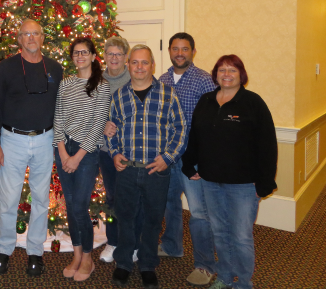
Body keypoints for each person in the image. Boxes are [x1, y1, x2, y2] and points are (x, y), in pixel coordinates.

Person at [182, 55, 277, 289]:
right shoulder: (206, 101)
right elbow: (195, 138)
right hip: (210, 181)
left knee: (241, 237)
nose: (226, 74)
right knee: (220, 232)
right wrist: (188, 164)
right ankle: (225, 277)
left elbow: (267, 145)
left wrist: (264, 182)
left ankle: (243, 282)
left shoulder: (253, 103)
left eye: (232, 70)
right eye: (222, 70)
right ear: (215, 74)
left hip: (243, 185)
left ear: (241, 75)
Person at [106, 44, 186, 289]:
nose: (139, 67)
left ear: (152, 65)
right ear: (128, 65)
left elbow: (180, 130)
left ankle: (148, 264)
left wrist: (168, 158)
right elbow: (111, 130)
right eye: (135, 62)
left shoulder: (168, 95)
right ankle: (124, 263)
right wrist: (115, 152)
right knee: (126, 217)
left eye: (144, 62)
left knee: (152, 219)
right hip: (127, 170)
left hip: (156, 170)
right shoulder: (119, 96)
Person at [0, 19, 63, 276]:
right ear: (19, 39)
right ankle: (4, 249)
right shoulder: (7, 67)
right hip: (12, 140)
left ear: (43, 38)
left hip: (45, 139)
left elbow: (62, 108)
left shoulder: (55, 68)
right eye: (26, 34)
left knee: (41, 199)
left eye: (36, 33)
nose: (31, 38)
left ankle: (35, 253)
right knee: (8, 200)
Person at [157, 33, 217, 286]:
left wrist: (204, 160)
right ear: (169, 51)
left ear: (193, 51)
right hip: (168, 158)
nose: (179, 53)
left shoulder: (205, 81)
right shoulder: (162, 80)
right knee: (170, 205)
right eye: (175, 48)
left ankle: (205, 265)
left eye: (185, 49)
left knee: (199, 213)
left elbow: (212, 124)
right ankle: (172, 246)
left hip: (192, 161)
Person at [53, 38, 111, 282]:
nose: (80, 56)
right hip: (64, 148)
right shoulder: (65, 83)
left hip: (87, 153)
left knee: (79, 207)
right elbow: (57, 118)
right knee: (69, 204)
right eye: (76, 53)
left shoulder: (102, 86)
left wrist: (77, 157)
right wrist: (63, 151)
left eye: (84, 52)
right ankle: (76, 255)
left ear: (93, 55)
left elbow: (98, 125)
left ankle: (87, 257)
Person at [98, 36, 131, 264]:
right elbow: (86, 113)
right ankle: (113, 241)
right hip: (105, 151)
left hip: (132, 151)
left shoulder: (137, 77)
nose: (114, 58)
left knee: (133, 199)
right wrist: (103, 125)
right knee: (112, 198)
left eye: (119, 54)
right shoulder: (96, 80)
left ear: (126, 57)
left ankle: (134, 243)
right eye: (110, 53)